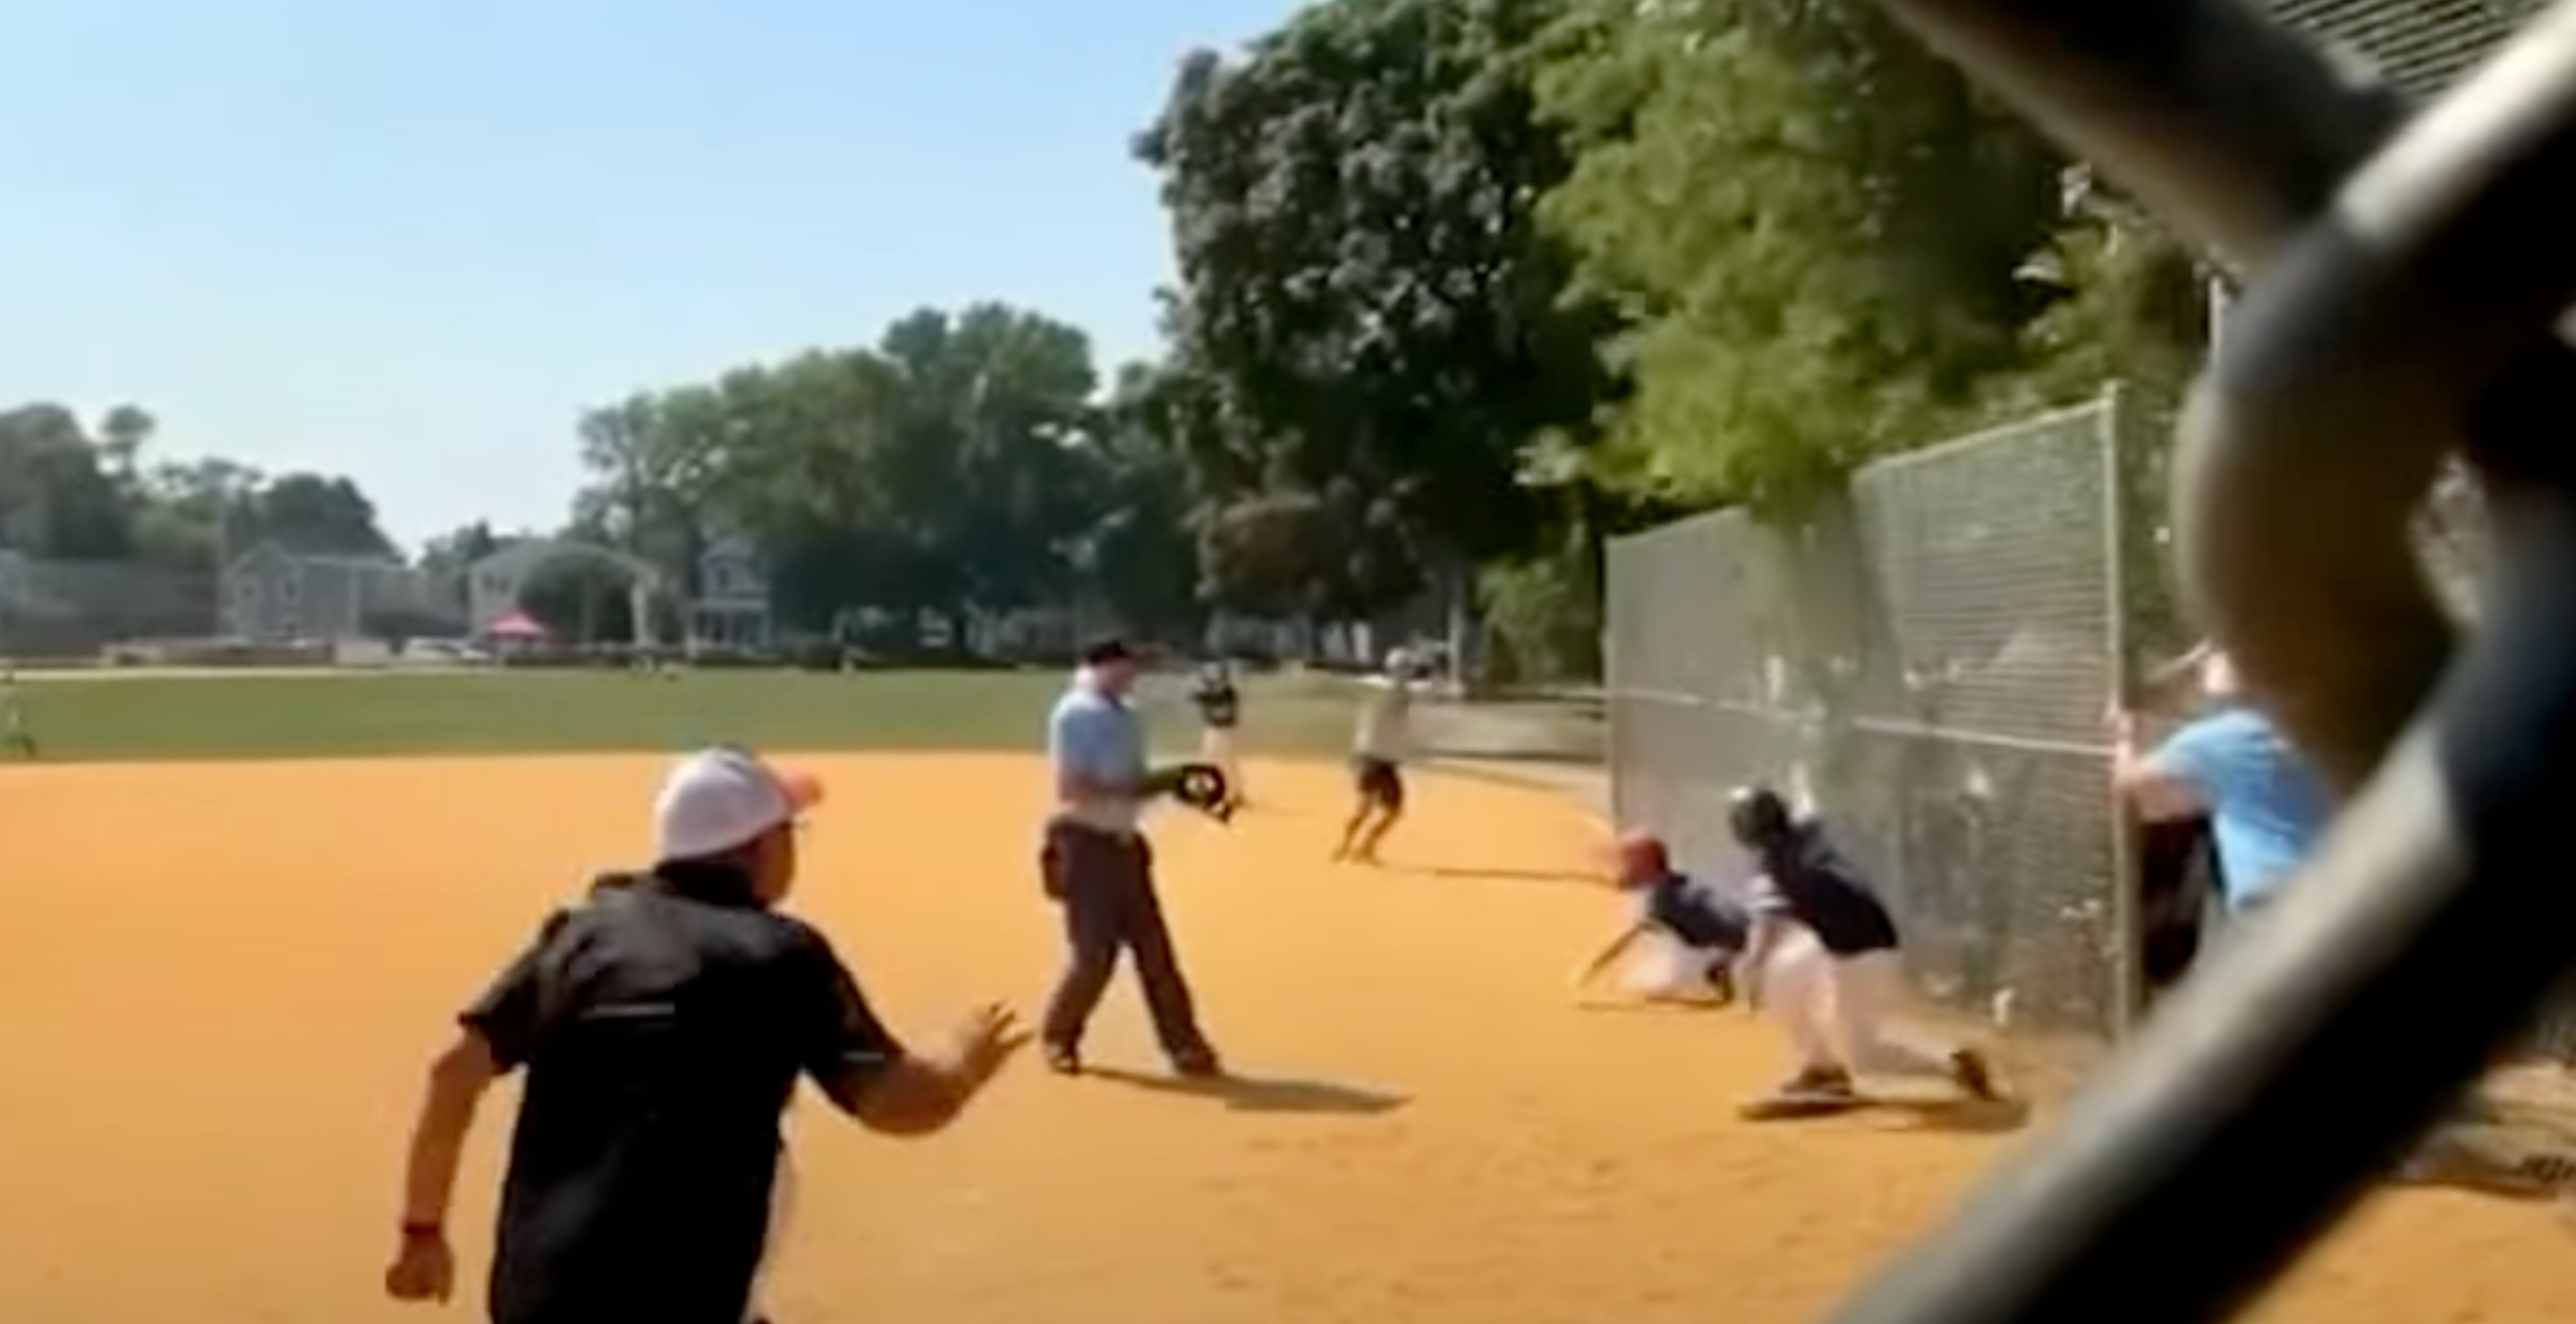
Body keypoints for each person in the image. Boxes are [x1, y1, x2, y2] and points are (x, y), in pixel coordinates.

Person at [383, 745, 1025, 1324]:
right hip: (683, 1296)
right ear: (756, 848)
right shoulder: (784, 954)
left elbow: (453, 1072)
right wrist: (959, 1064)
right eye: (789, 832)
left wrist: (422, 1232)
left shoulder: (581, 935)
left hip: (538, 1294)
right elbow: (900, 1104)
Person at [1728, 785, 2000, 1106]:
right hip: (1840, 937)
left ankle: (1952, 1063)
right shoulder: (1800, 836)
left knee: (1864, 1055)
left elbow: (1767, 923)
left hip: (1862, 950)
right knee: (1784, 974)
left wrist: (1750, 968)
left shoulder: (1782, 864)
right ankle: (1820, 1068)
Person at [1040, 637, 1224, 1078]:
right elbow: (1073, 788)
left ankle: (1184, 1046)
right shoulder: (1075, 714)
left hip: (1125, 845)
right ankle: (1058, 1036)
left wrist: (1170, 781)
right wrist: (1145, 787)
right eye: (1126, 668)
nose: (1133, 677)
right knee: (1094, 955)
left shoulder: (1127, 717)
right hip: (1085, 844)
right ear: (1102, 667)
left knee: (1155, 952)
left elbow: (1131, 780)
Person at [2112, 643, 2334, 921]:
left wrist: (2125, 738)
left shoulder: (2222, 740)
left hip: (2274, 907)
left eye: (2219, 651)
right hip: (2344, 895)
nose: (2206, 660)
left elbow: (2138, 796)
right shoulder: (2319, 725)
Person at [1572, 831, 1750, 1005]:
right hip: (1733, 940)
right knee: (1655, 953)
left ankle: (1711, 976)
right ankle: (1714, 969)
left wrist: (1589, 968)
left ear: (1646, 864)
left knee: (1638, 985)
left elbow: (1624, 939)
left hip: (1720, 949)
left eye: (1628, 861)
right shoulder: (1676, 880)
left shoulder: (1659, 899)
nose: (1624, 867)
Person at [1333, 649, 1421, 866]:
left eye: (1409, 669)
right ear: (1393, 670)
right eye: (1403, 668)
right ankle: (1345, 845)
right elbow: (1353, 685)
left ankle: (1367, 847)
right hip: (1369, 756)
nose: (1407, 673)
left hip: (1388, 761)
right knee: (1364, 807)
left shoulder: (1408, 692)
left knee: (1394, 811)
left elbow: (1428, 689)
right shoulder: (1377, 687)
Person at [1190, 658, 1246, 812]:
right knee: (1208, 759)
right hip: (1213, 730)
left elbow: (1223, 708)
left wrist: (1205, 695)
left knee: (1226, 763)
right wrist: (1203, 692)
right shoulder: (1211, 691)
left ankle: (1234, 794)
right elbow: (1197, 697)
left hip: (1225, 731)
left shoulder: (1228, 692)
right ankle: (1207, 790)